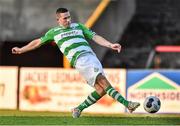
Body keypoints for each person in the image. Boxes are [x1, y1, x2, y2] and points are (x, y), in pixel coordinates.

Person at [12, 8, 140, 118]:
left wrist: (110, 44)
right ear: (58, 20)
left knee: (101, 90)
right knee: (102, 81)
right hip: (81, 60)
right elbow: (37, 42)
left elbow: (95, 37)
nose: (68, 20)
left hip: (92, 57)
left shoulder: (79, 26)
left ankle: (78, 109)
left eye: (69, 17)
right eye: (65, 18)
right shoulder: (54, 33)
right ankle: (127, 104)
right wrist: (21, 49)